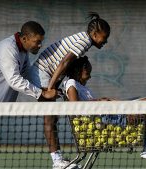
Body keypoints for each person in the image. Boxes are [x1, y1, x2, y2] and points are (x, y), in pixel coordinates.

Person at [0, 21, 57, 169]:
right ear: (25, 38)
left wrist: (47, 89)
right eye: (37, 42)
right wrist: (42, 93)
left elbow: (27, 76)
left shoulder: (23, 53)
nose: (40, 45)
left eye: (41, 42)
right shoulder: (7, 48)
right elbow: (14, 80)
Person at [61, 56, 146, 169]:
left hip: (113, 114)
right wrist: (99, 101)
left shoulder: (81, 86)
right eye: (88, 73)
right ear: (78, 71)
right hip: (111, 120)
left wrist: (108, 101)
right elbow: (75, 108)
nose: (89, 77)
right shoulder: (71, 83)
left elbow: (94, 103)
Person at [26, 12, 110, 169]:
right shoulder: (84, 41)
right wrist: (50, 88)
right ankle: (57, 161)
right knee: (50, 118)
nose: (106, 41)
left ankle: (58, 159)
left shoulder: (84, 40)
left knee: (53, 118)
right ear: (95, 34)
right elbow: (64, 62)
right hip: (43, 73)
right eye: (104, 37)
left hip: (49, 75)